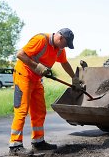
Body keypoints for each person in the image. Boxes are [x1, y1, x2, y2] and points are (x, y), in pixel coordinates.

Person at [9, 28, 81, 156]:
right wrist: (36, 66)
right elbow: (20, 54)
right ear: (60, 38)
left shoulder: (59, 49)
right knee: (22, 110)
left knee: (39, 111)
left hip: (36, 80)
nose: (65, 47)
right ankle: (15, 145)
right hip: (23, 76)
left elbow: (64, 63)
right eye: (65, 44)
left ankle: (38, 142)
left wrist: (74, 78)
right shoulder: (41, 40)